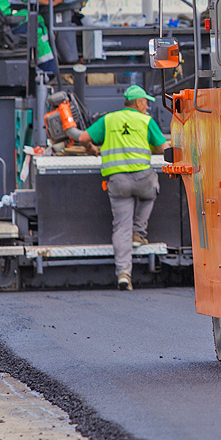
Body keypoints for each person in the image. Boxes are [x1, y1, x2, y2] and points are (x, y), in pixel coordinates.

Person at [81, 85, 166, 291]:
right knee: (152, 190)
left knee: (120, 228)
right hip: (142, 178)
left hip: (117, 181)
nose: (147, 106)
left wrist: (92, 149)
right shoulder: (146, 121)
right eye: (145, 102)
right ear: (138, 103)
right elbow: (164, 149)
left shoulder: (109, 119)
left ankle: (123, 274)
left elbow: (83, 138)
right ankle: (139, 231)